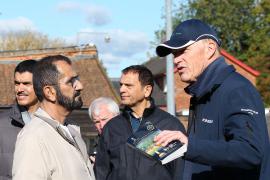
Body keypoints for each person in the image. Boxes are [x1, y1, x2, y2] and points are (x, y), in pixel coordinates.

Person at [155, 19, 270, 180]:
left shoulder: (236, 90)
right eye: (175, 54)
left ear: (210, 48)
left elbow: (251, 151)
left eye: (183, 50)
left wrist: (190, 146)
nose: (176, 59)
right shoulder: (202, 93)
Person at [94, 65, 186, 180]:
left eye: (128, 85)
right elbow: (101, 171)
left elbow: (180, 172)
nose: (122, 89)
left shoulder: (170, 125)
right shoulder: (111, 127)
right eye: (121, 85)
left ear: (147, 90)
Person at [12, 55, 95, 180]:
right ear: (50, 92)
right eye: (71, 81)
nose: (80, 86)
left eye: (77, 79)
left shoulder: (72, 131)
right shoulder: (33, 138)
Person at [0, 60, 39, 180]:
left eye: (26, 83)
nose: (20, 89)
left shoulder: (55, 123)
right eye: (17, 83)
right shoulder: (1, 124)